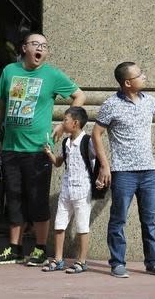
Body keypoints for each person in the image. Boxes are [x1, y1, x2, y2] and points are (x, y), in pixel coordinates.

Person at [0, 32, 85, 266]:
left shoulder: (51, 74)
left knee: (37, 199)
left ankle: (41, 249)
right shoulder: (9, 71)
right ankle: (15, 248)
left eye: (44, 45)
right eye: (35, 44)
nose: (40, 48)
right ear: (24, 48)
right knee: (14, 198)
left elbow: (79, 95)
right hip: (11, 147)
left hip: (39, 150)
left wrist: (64, 125)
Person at [93, 62, 155, 279]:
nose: (144, 76)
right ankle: (117, 263)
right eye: (140, 74)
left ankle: (153, 262)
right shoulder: (111, 104)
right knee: (118, 219)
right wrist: (105, 165)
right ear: (127, 82)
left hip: (149, 171)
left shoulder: (148, 101)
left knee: (149, 220)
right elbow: (96, 134)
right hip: (123, 172)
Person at [42, 106, 98, 274]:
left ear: (75, 123)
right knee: (59, 224)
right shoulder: (66, 142)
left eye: (65, 120)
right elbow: (59, 162)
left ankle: (82, 261)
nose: (62, 123)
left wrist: (102, 177)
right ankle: (58, 259)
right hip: (66, 189)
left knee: (82, 226)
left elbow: (97, 161)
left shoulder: (87, 141)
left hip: (82, 189)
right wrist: (49, 153)